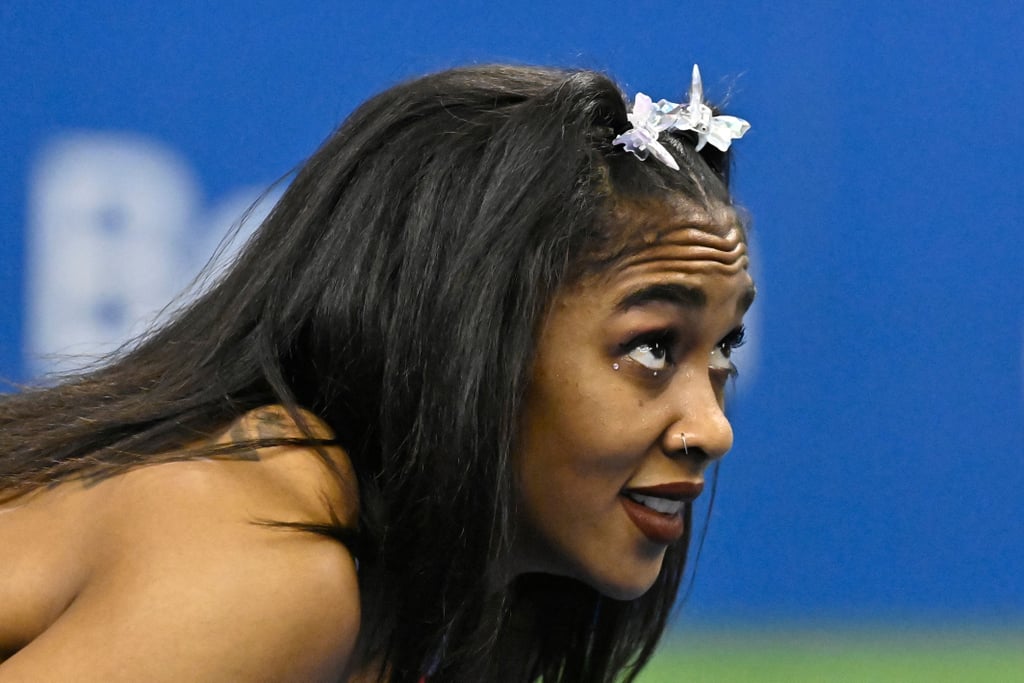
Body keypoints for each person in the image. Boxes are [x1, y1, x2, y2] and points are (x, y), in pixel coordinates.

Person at [0, 63, 754, 682]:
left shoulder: (416, 602)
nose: (711, 427)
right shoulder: (271, 565)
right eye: (652, 348)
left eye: (723, 348)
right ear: (467, 334)